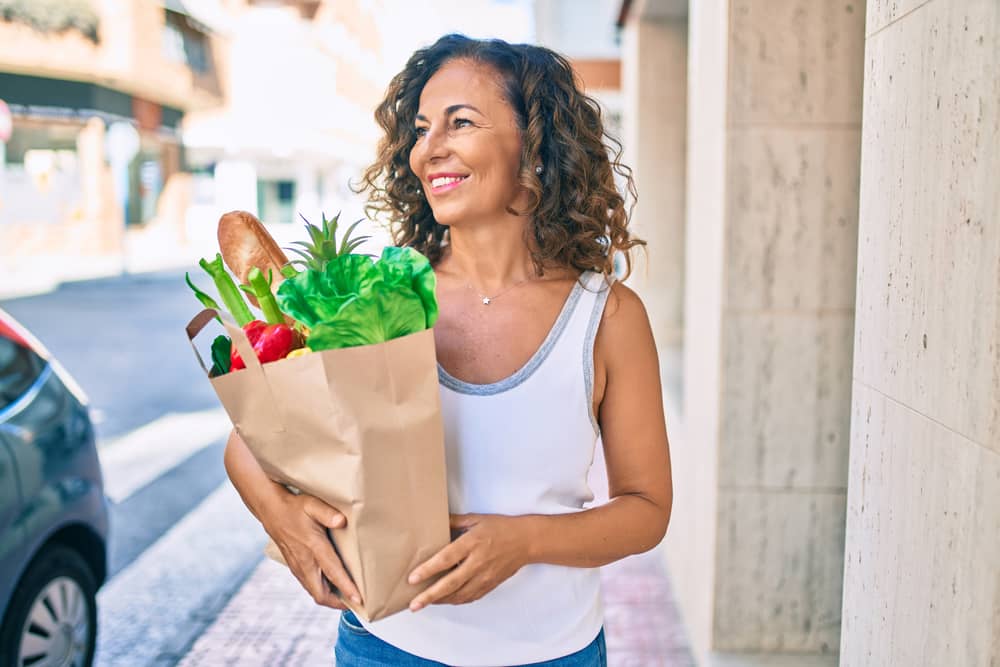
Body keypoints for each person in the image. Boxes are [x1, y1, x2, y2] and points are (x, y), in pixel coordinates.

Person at [223, 33, 672, 667]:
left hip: (554, 653)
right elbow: (249, 445)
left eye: (460, 122)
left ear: (536, 146)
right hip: (385, 646)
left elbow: (647, 510)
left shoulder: (608, 316)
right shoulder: (377, 293)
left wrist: (524, 541)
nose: (427, 149)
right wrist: (284, 521)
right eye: (422, 128)